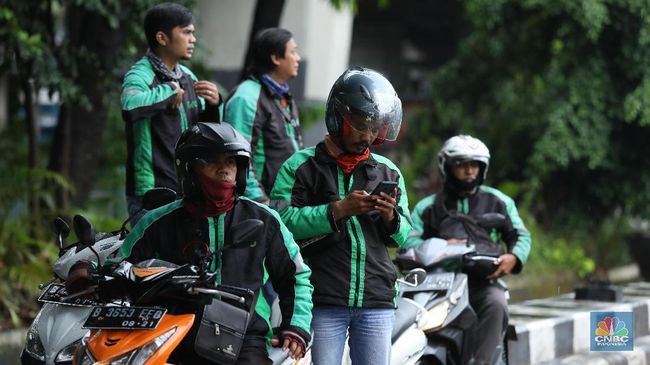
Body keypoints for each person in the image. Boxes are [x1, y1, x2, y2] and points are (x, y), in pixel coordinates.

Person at [99, 122, 312, 364]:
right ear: (190, 170)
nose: (224, 170)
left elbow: (296, 276)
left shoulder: (264, 219)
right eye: (213, 161)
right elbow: (119, 267)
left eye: (231, 162)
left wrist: (296, 325)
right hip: (174, 329)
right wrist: (86, 270)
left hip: (244, 333)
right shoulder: (158, 221)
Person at [269, 67, 413, 365]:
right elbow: (279, 222)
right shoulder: (300, 166)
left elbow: (406, 233)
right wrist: (337, 211)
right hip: (321, 299)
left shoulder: (389, 171)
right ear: (338, 117)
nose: (368, 135)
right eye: (361, 125)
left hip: (376, 299)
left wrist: (390, 216)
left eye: (375, 128)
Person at [405, 135, 532, 365]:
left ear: (482, 168)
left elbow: (521, 235)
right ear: (447, 166)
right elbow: (408, 242)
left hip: (482, 282)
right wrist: (442, 248)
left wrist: (513, 257)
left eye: (474, 165)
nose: (469, 170)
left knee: (497, 304)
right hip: (438, 284)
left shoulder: (499, 202)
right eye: (462, 164)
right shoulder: (427, 207)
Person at [122, 2, 222, 225]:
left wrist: (215, 105)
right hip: (151, 192)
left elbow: (204, 133)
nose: (193, 39)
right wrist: (167, 91)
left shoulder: (187, 76)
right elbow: (129, 106)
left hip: (188, 188)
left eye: (192, 33)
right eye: (186, 32)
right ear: (162, 38)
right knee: (152, 260)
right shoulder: (140, 75)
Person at [225, 27, 303, 204]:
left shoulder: (283, 96)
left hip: (285, 202)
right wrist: (260, 203)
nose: (298, 58)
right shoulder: (246, 97)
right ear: (275, 58)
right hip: (261, 205)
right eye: (293, 52)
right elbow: (239, 157)